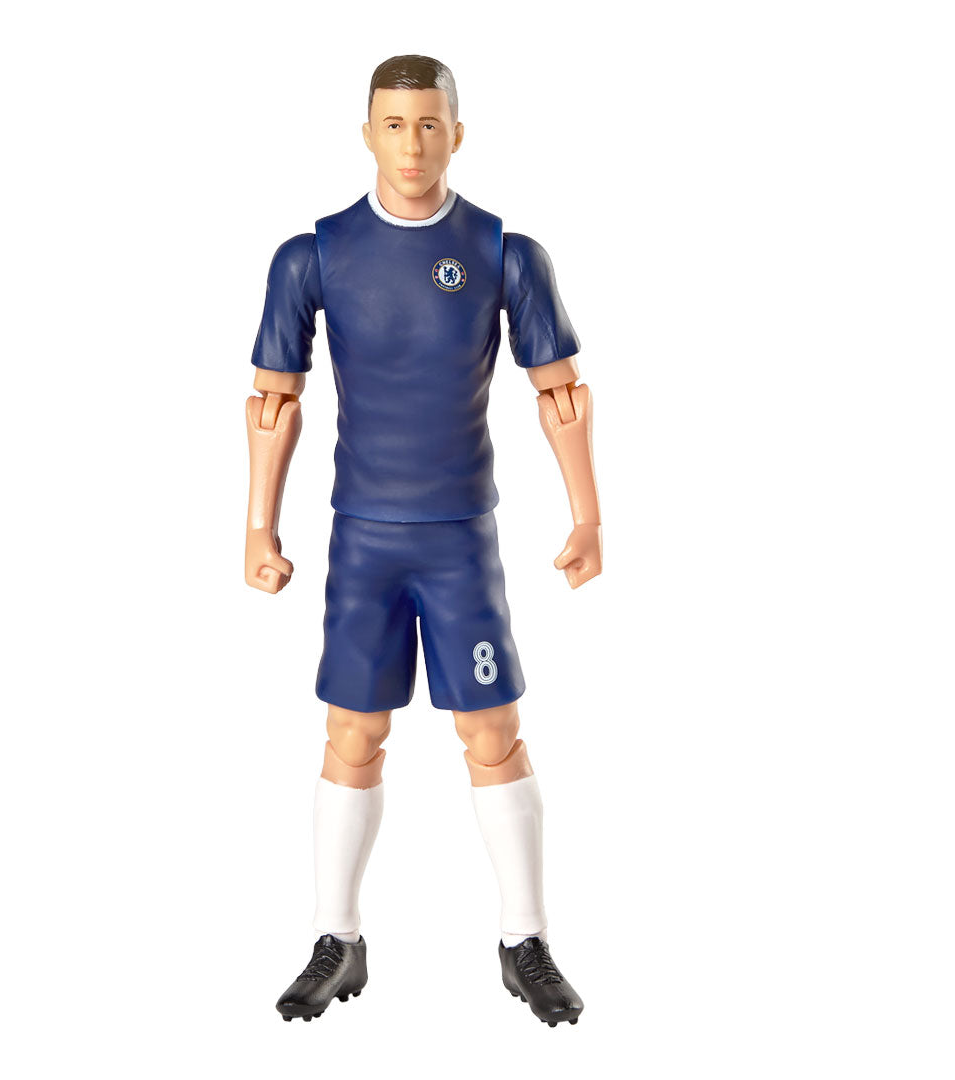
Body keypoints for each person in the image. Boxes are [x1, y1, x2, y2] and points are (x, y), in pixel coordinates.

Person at [245, 55, 602, 1027]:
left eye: (430, 124)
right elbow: (273, 399)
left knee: (492, 732)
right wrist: (259, 527)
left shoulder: (502, 252)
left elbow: (560, 390)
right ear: (367, 133)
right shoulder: (314, 255)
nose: (412, 144)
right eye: (395, 124)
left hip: (459, 539)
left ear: (457, 134)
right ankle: (337, 939)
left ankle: (525, 940)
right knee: (351, 733)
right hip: (363, 538)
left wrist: (587, 515)